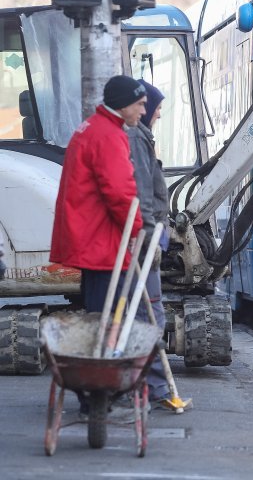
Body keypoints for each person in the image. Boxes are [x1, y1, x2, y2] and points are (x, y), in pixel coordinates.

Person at [50, 75, 146, 416]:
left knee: (95, 314)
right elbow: (120, 192)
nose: (143, 109)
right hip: (104, 243)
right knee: (108, 318)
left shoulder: (90, 128)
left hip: (90, 239)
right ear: (123, 105)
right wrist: (138, 228)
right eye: (139, 103)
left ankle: (90, 390)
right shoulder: (109, 136)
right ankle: (97, 392)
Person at [127, 79, 171, 405]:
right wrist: (150, 237)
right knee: (150, 315)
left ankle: (149, 387)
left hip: (147, 234)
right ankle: (153, 389)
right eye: (151, 108)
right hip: (146, 238)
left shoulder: (141, 137)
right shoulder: (137, 139)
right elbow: (143, 193)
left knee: (147, 313)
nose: (154, 114)